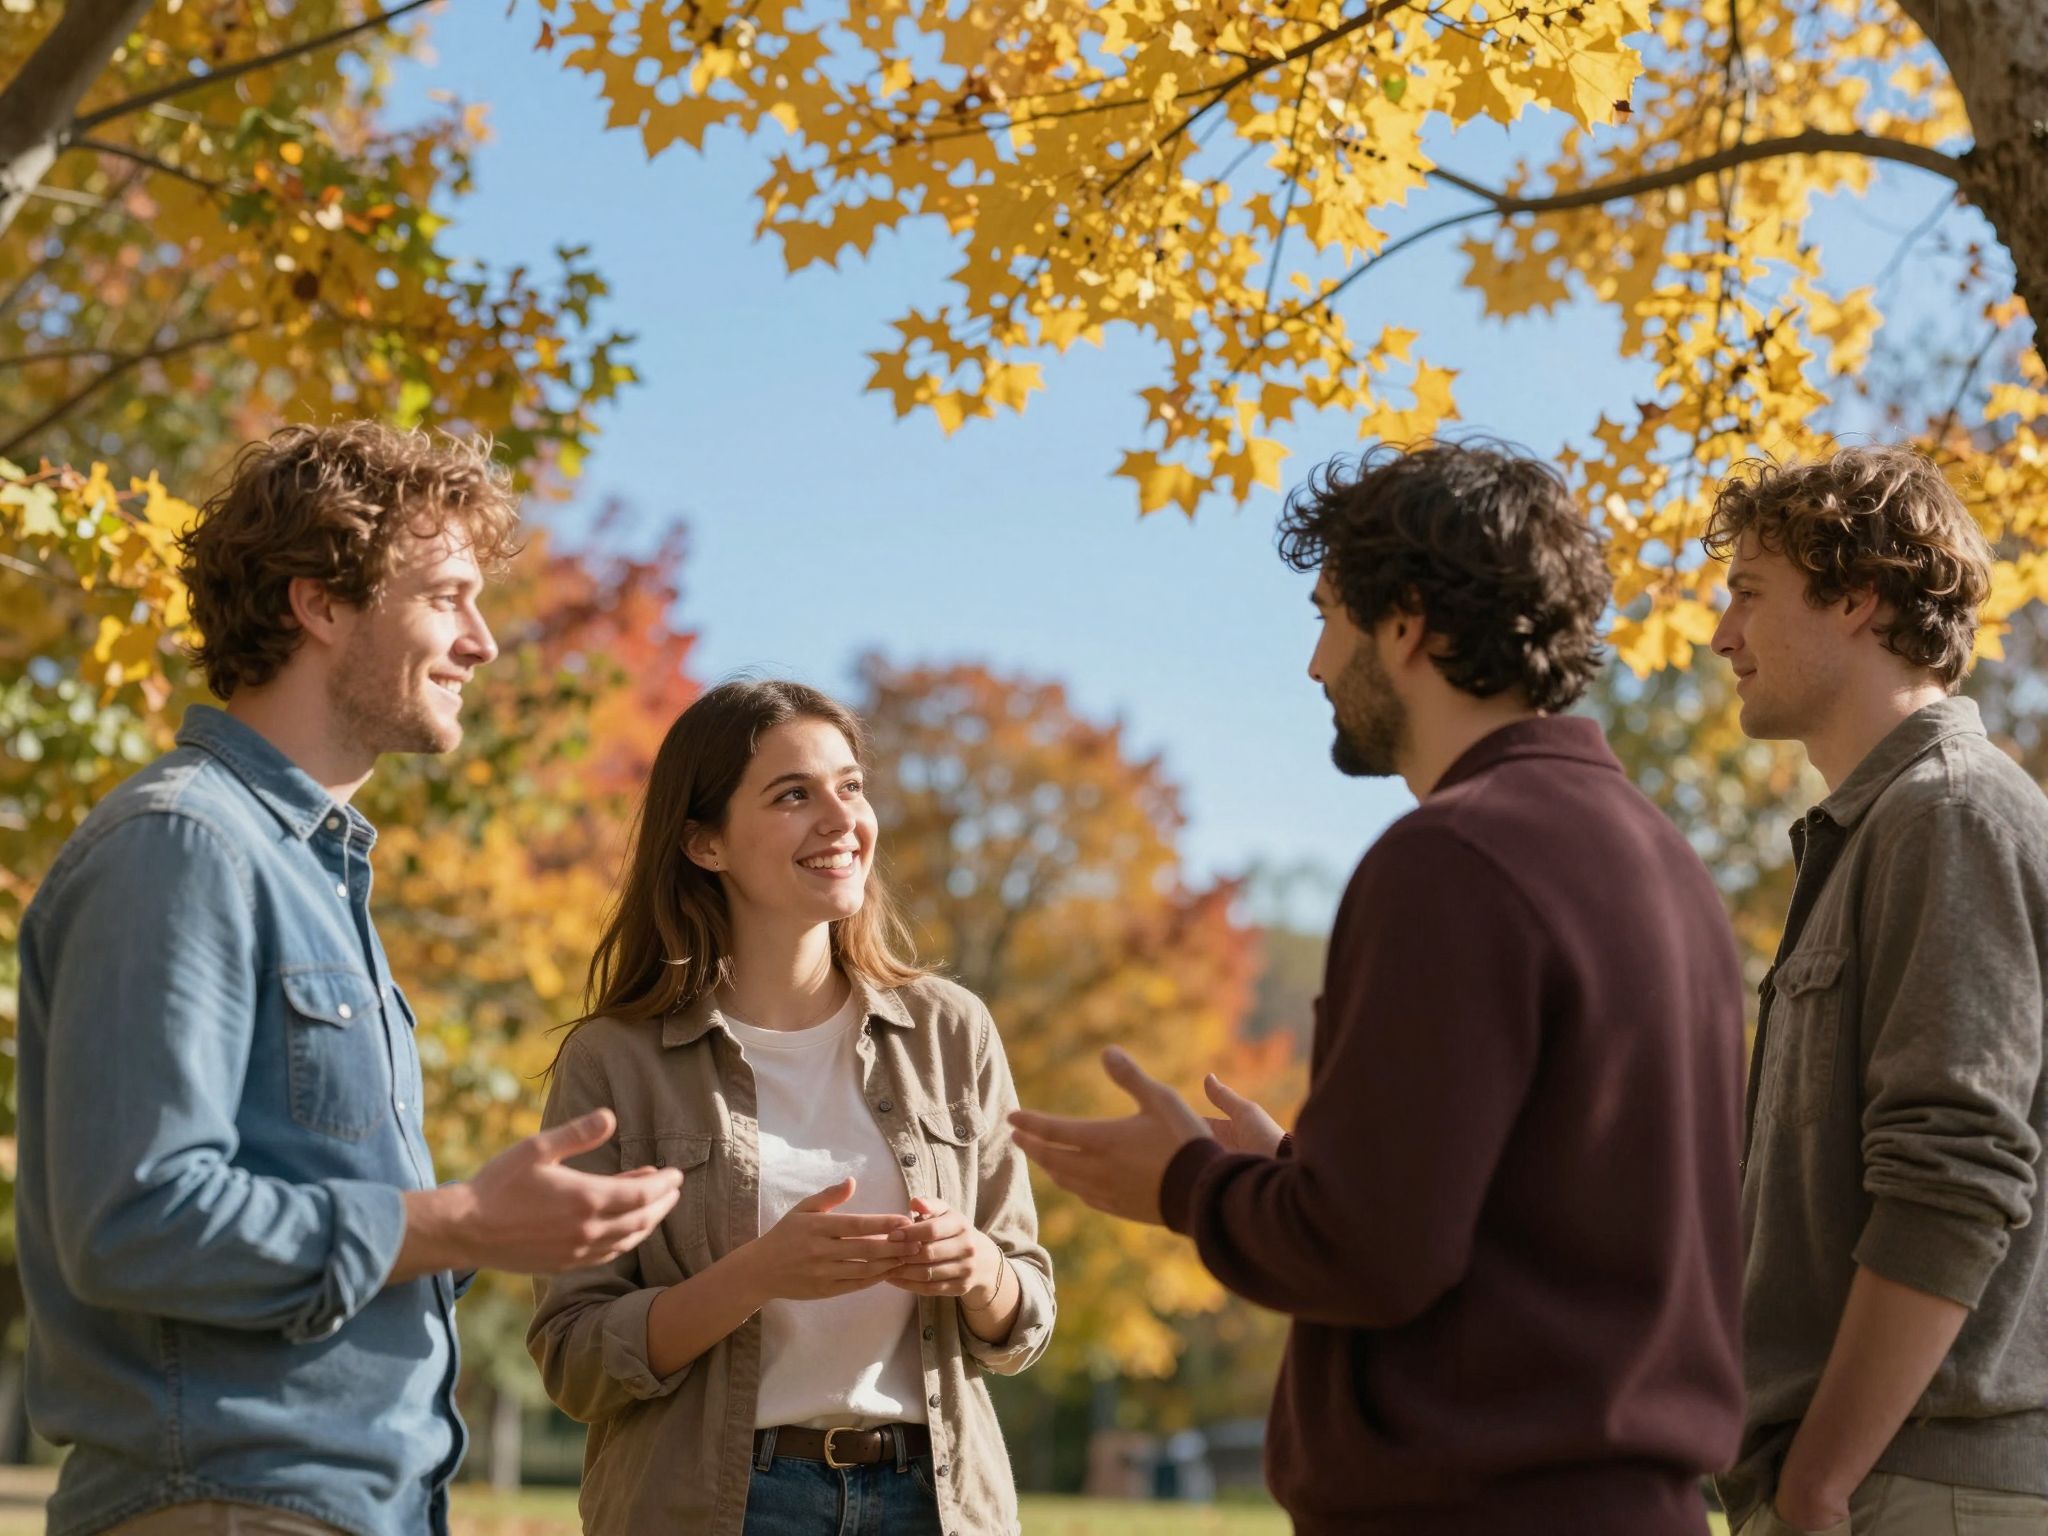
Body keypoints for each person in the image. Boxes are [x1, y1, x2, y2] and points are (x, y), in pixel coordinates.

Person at [1011, 440, 1748, 1535]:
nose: (1313, 663)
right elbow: (1519, 1215)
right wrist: (1296, 1176)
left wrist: (1184, 1184)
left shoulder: (1452, 858)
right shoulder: (1659, 860)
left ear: (1405, 622)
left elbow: (1372, 1256)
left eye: (1327, 616)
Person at [14, 423, 683, 1536]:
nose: (483, 643)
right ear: (319, 604)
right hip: (228, 1505)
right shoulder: (183, 847)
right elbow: (136, 1222)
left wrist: (495, 1229)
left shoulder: (310, 871)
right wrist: (462, 1221)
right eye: (447, 597)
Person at [527, 679, 1054, 1536]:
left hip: (939, 1505)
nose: (841, 819)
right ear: (705, 843)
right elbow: (575, 1359)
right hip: (716, 1508)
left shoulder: (952, 1032)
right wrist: (757, 1277)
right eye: (793, 795)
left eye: (850, 786)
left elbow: (1025, 1312)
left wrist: (979, 1271)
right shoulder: (613, 1062)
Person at [1704, 446, 2048, 1536]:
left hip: (1908, 1486)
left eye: (1746, 596)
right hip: (1866, 1483)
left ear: (1856, 597)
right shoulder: (1877, 830)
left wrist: (1817, 1479)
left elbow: (1951, 1175)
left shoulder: (1946, 817)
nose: (1720, 637)